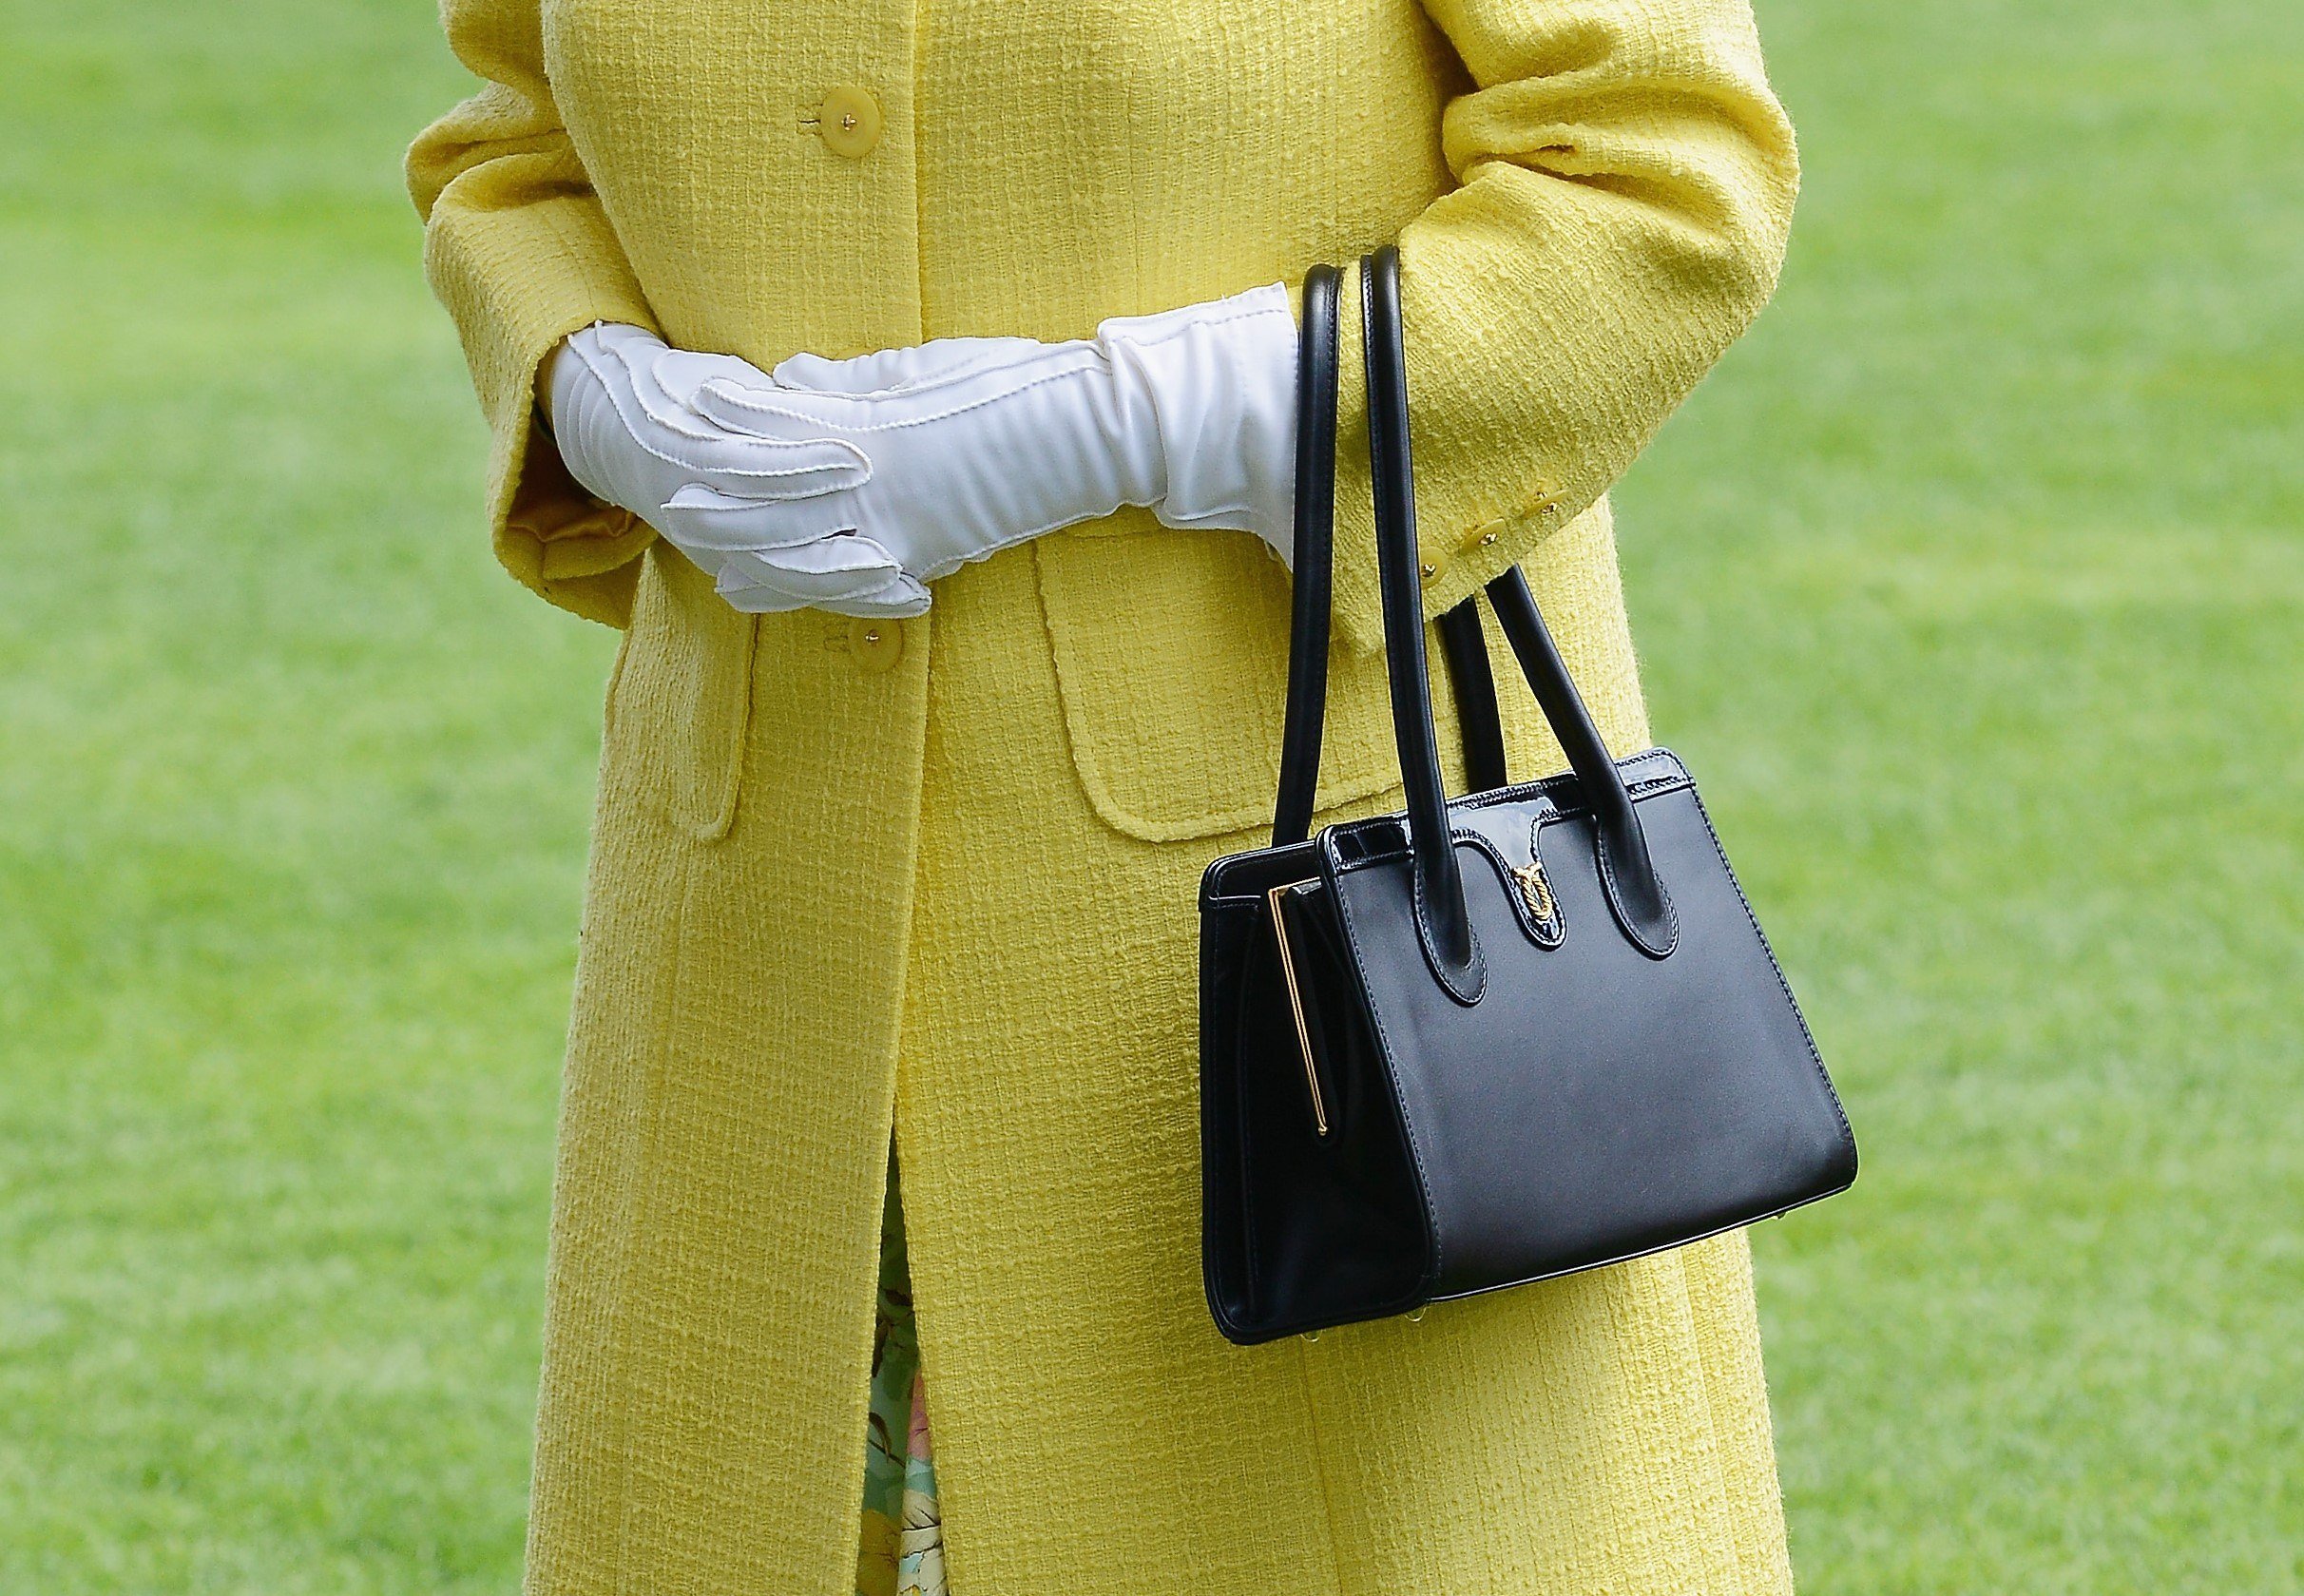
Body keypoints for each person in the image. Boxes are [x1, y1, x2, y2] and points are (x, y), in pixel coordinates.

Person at [406, 0, 1802, 1591]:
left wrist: (1125, 418)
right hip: (765, 961)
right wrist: (601, 390)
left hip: (1314, 965)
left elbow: (1656, 168)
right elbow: (515, 143)